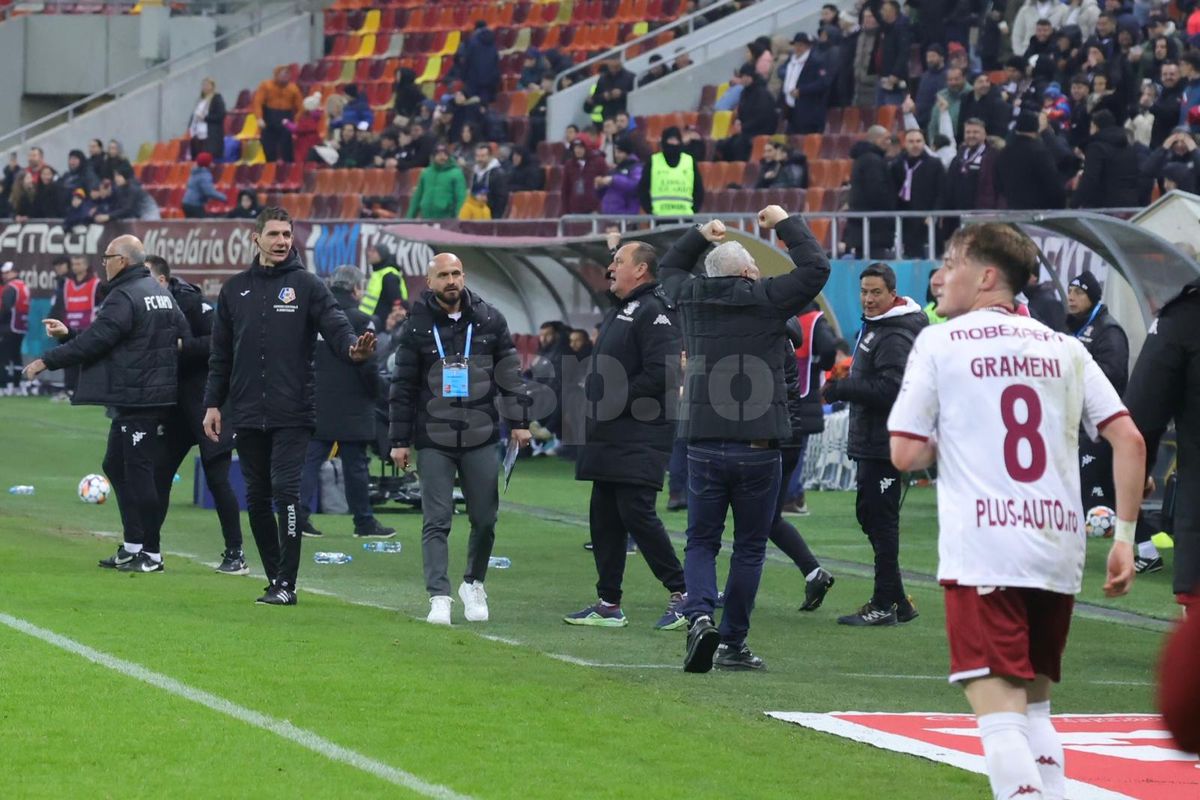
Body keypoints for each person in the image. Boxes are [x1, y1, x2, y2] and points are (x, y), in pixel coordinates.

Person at [888, 222, 1143, 800]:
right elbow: (1128, 439)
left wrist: (947, 439)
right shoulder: (1067, 347)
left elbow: (905, 451)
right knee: (1036, 706)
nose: (940, 278)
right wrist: (1124, 536)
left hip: (986, 547)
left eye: (951, 264)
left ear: (986, 276)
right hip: (1058, 547)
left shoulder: (939, 341)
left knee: (997, 712)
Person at [659, 206, 830, 673]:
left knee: (701, 541)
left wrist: (699, 236)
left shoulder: (690, 296)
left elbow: (669, 267)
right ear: (749, 271)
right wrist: (784, 222)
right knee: (750, 547)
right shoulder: (768, 298)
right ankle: (733, 642)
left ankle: (698, 618)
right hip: (757, 446)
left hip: (703, 442)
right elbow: (816, 267)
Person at [203, 207, 376, 606]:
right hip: (246, 411)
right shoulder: (234, 290)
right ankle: (274, 577)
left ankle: (287, 583)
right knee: (257, 497)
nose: (283, 241)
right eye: (275, 234)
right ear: (256, 238)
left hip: (293, 412)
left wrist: (353, 349)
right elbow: (220, 355)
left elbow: (335, 325)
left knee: (286, 491)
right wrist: (213, 403)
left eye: (287, 234)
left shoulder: (308, 286)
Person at [25, 236, 189, 573]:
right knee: (115, 464)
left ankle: (152, 553)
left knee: (139, 472)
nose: (103, 262)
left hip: (139, 396)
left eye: (108, 257)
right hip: (145, 394)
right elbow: (177, 333)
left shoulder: (125, 295)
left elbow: (99, 340)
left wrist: (48, 360)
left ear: (124, 261)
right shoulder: (160, 293)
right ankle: (132, 546)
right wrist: (71, 336)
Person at [388, 254, 532, 625]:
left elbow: (510, 374)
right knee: (436, 519)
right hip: (433, 436)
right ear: (430, 281)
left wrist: (519, 421)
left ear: (463, 277)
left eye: (455, 274)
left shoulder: (490, 319)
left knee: (484, 518)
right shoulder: (416, 326)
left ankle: (473, 582)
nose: (451, 281)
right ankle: (439, 595)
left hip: (481, 433)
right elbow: (402, 387)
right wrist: (399, 440)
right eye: (443, 275)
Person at [564, 240, 689, 630]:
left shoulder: (656, 311)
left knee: (637, 513)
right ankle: (609, 603)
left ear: (642, 270)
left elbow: (665, 372)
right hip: (611, 432)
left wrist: (617, 398)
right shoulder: (625, 309)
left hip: (641, 431)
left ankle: (685, 593)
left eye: (618, 261)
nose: (610, 268)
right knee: (603, 516)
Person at [822, 263, 926, 626]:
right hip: (873, 439)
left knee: (881, 521)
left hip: (886, 442)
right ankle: (897, 599)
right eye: (864, 292)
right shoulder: (881, 327)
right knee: (870, 515)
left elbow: (891, 389)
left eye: (875, 292)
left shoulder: (895, 334)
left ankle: (884, 603)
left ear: (892, 294)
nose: (867, 299)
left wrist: (843, 388)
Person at [144, 255, 246, 574]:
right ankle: (149, 550)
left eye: (144, 278)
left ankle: (235, 552)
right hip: (175, 407)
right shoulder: (147, 308)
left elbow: (219, 342)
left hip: (207, 403)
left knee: (217, 478)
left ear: (161, 281)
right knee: (159, 475)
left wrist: (179, 347)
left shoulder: (193, 302)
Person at [299, 266, 395, 540]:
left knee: (309, 461)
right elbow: (367, 365)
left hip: (317, 399)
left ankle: (298, 518)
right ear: (356, 289)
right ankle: (364, 522)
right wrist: (379, 394)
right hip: (354, 403)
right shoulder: (363, 319)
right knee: (356, 466)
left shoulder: (315, 317)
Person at [1066, 270, 1129, 514]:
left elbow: (1113, 375)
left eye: (1079, 293)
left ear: (1092, 297)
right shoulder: (1074, 326)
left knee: (1091, 491)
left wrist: (1074, 370)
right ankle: (1147, 546)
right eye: (1070, 291)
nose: (1072, 297)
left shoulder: (1109, 330)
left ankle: (1146, 544)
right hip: (1077, 423)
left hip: (1100, 426)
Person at [890, 127, 945, 258]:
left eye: (918, 141)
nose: (915, 145)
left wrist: (934, 214)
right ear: (905, 143)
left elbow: (942, 192)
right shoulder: (896, 164)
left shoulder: (935, 164)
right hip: (905, 220)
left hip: (928, 219)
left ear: (924, 142)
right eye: (911, 141)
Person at [842, 126, 896, 259]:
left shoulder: (862, 159)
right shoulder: (873, 161)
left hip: (863, 228)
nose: (889, 143)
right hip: (874, 228)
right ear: (876, 139)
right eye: (886, 139)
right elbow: (877, 192)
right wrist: (892, 204)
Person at [637, 126, 704, 217]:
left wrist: (693, 210)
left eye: (675, 140)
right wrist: (650, 210)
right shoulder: (653, 161)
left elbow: (698, 190)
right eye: (670, 140)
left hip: (685, 217)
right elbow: (643, 189)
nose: (673, 143)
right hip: (659, 218)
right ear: (664, 141)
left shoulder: (689, 161)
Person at [778, 33, 830, 134]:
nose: (798, 48)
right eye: (796, 45)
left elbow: (823, 83)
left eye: (801, 45)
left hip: (808, 110)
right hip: (790, 108)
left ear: (808, 46)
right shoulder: (790, 61)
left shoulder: (816, 62)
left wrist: (801, 90)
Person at [253, 66, 304, 162]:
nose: (286, 76)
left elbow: (301, 108)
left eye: (287, 74)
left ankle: (288, 170)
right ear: (276, 74)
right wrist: (259, 118)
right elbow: (257, 102)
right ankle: (271, 170)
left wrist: (296, 121)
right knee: (268, 150)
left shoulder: (293, 88)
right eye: (283, 73)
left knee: (287, 150)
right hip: (269, 121)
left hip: (286, 120)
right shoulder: (266, 85)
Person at [407, 144, 466, 219]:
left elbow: (461, 198)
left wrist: (460, 219)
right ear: (433, 157)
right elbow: (417, 196)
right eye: (439, 154)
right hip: (426, 217)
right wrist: (409, 218)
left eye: (445, 154)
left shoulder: (456, 173)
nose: (442, 157)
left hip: (447, 219)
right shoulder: (426, 173)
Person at [359, 244, 409, 329]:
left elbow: (396, 303)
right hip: (371, 322)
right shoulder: (378, 273)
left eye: (374, 251)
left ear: (382, 255)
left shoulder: (389, 275)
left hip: (383, 326)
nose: (369, 253)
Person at [0, 262, 29, 394]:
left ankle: (4, 386)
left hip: (8, 327)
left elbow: (5, 308)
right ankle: (17, 384)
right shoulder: (24, 286)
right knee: (16, 357)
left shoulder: (10, 287)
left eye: (7, 272)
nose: (4, 275)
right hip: (20, 327)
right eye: (4, 273)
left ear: (15, 272)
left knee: (4, 356)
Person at [188, 77, 226, 161]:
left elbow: (221, 115)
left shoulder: (216, 98)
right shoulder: (200, 100)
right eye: (203, 85)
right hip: (197, 134)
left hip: (210, 135)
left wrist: (205, 118)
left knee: (208, 159)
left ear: (212, 86)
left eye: (207, 85)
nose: (204, 87)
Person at [182, 152, 227, 218]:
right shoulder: (204, 175)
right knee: (203, 224)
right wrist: (223, 197)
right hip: (195, 204)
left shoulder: (194, 172)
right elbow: (209, 192)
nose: (212, 163)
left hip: (186, 202)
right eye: (211, 161)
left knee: (191, 225)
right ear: (207, 163)